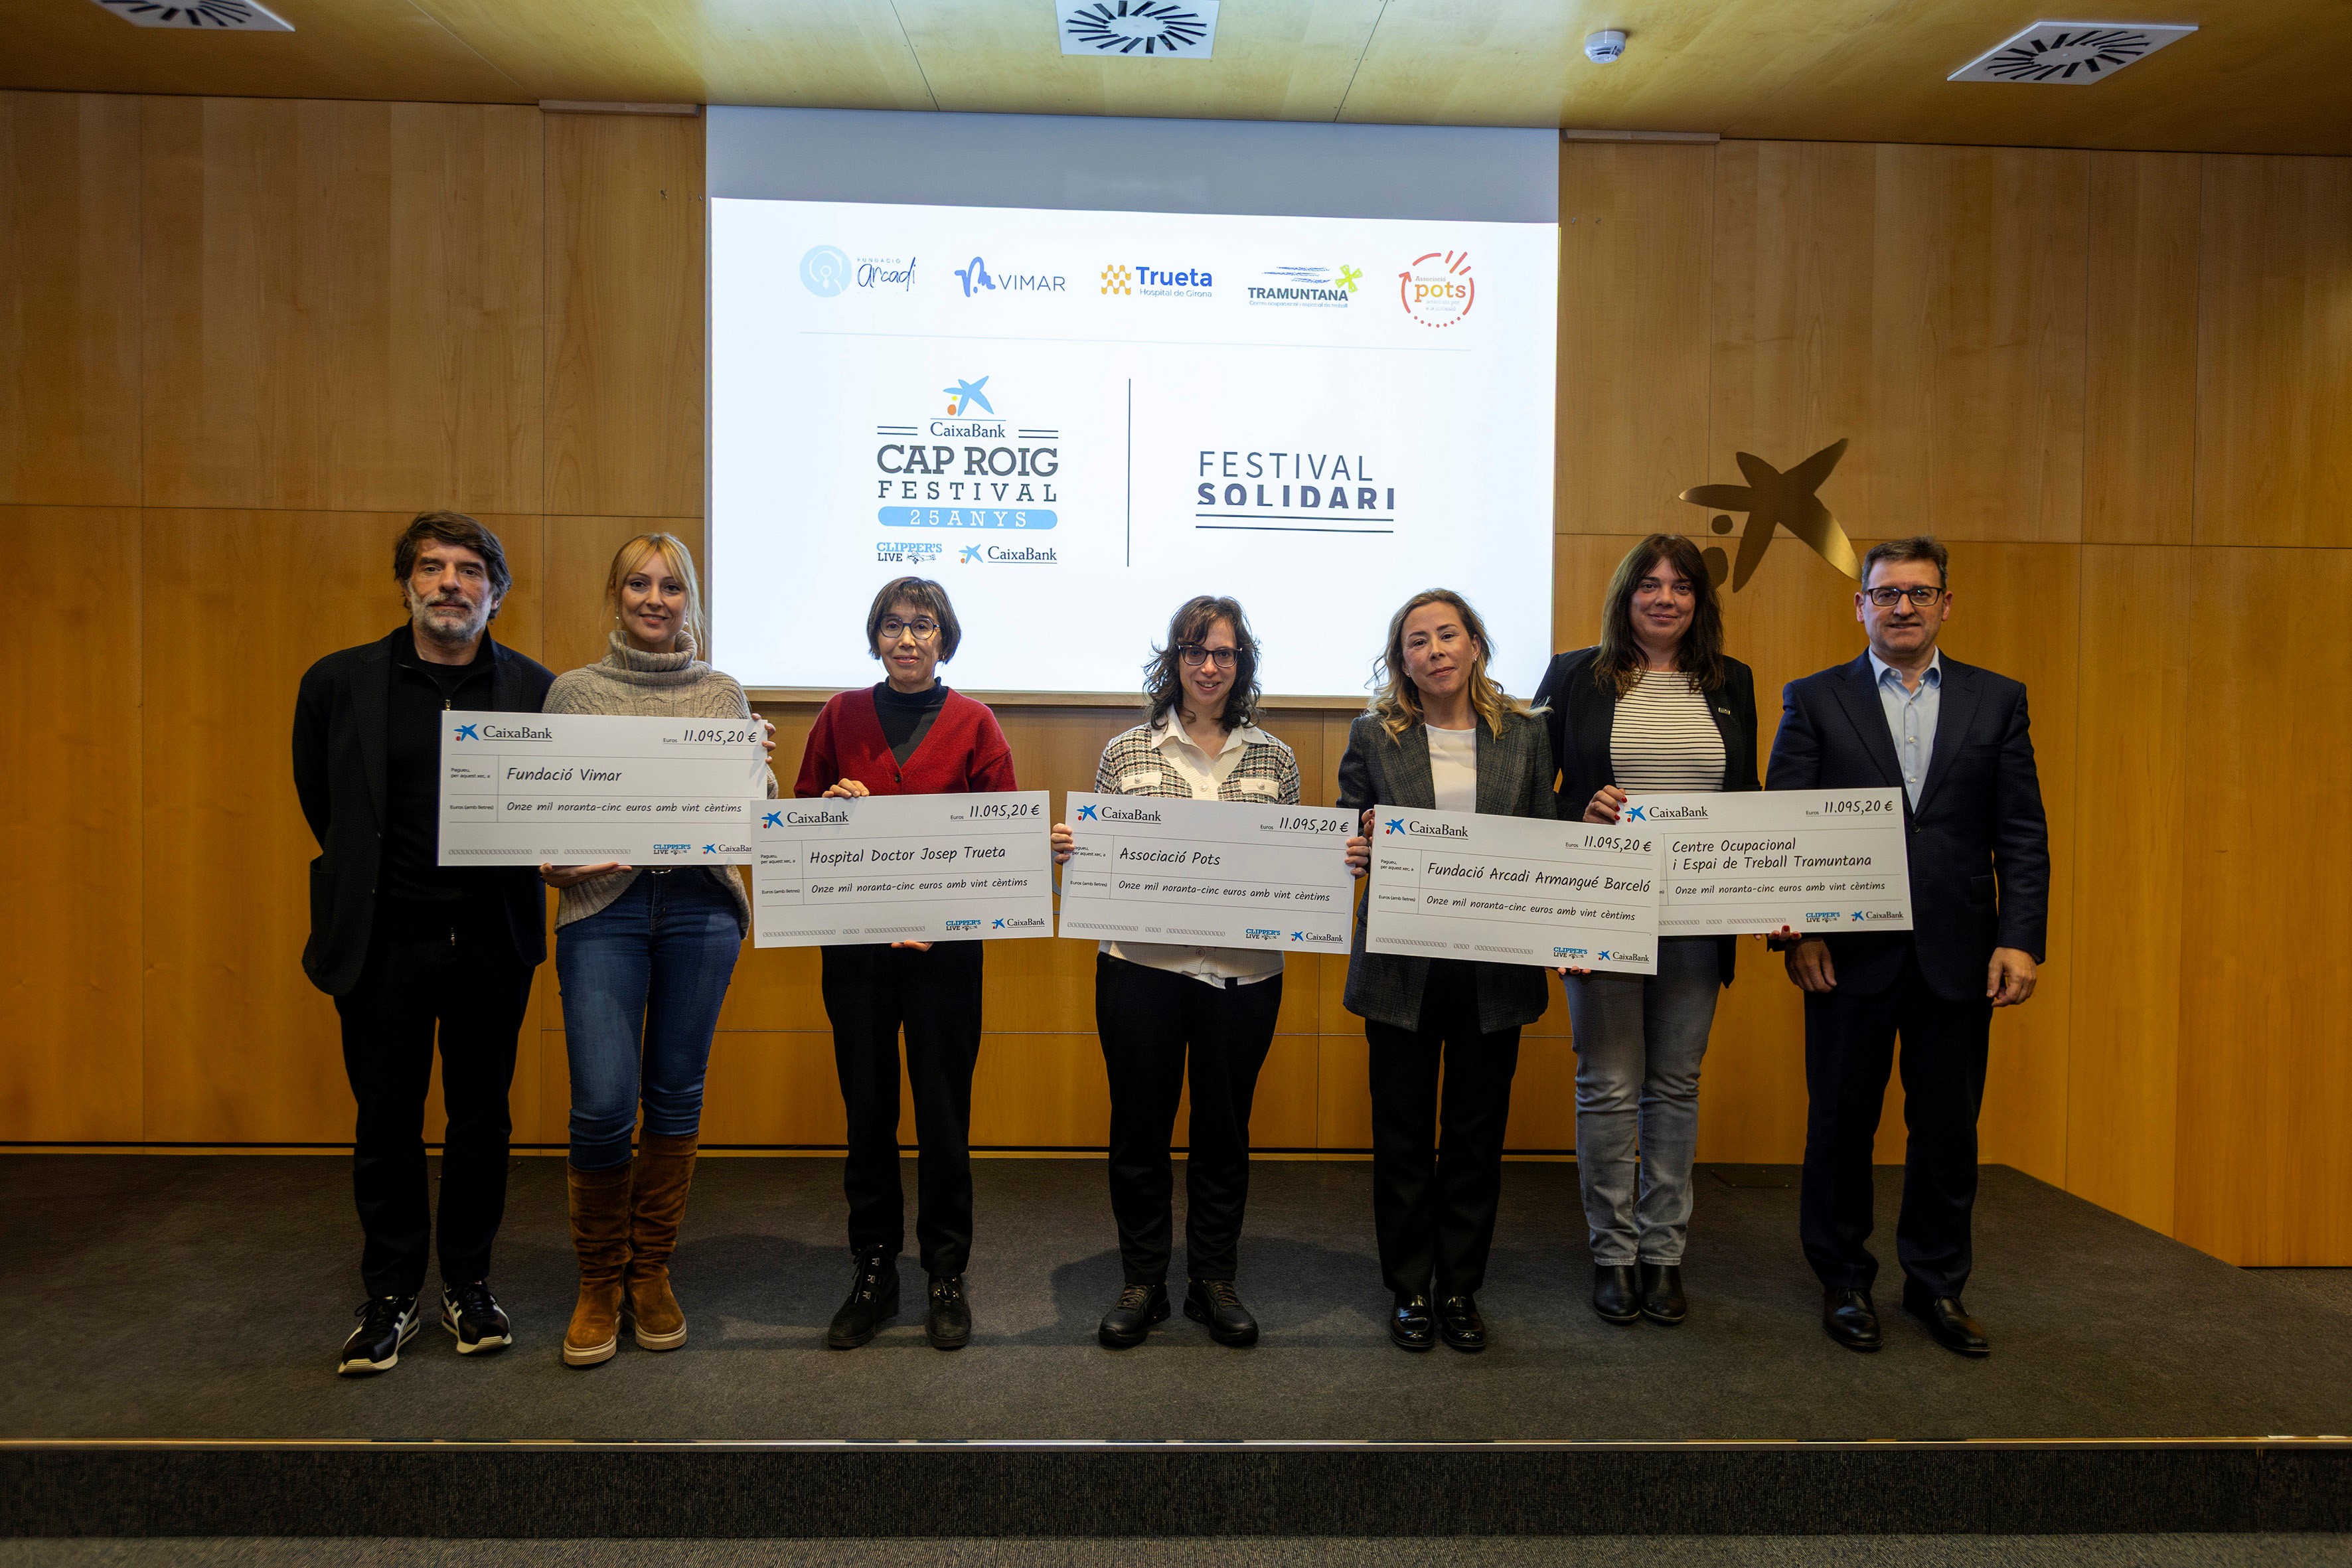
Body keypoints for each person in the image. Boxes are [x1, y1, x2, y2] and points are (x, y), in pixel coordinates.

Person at [1767, 536, 2048, 1358]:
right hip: (1848, 956)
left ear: (1946, 605)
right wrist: (1800, 931)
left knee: (1948, 1130)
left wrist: (2021, 940)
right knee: (1841, 1124)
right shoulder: (1815, 699)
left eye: (1920, 594)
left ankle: (1936, 1285)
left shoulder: (1997, 701)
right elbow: (1788, 826)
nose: (1903, 608)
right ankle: (1844, 1280)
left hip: (1961, 954)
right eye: (1886, 594)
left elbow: (2021, 832)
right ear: (1860, 604)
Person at [293, 511, 554, 1375]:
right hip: (382, 938)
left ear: (497, 592)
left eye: (470, 569)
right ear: (406, 581)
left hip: (490, 935)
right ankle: (392, 1291)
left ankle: (469, 1283)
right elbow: (320, 797)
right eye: (434, 567)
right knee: (386, 1119)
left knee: (482, 1117)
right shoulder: (337, 682)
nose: (451, 582)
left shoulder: (534, 688)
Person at [540, 535, 778, 1368]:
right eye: (638, 583)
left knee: (675, 1095)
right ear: (614, 594)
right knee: (604, 1101)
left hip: (700, 908)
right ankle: (598, 1281)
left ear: (692, 601)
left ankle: (651, 1274)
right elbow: (545, 815)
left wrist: (759, 771)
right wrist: (551, 858)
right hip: (601, 909)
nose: (654, 598)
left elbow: (754, 820)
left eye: (671, 586)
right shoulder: (572, 694)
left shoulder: (722, 693)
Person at [1048, 597, 1302, 1350]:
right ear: (1174, 661)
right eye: (1194, 652)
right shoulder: (1126, 752)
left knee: (1224, 1134)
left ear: (1241, 662)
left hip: (1243, 976)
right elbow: (1096, 869)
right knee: (1139, 1132)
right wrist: (1072, 852)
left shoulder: (1275, 758)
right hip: (1141, 972)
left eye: (1222, 653)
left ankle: (1213, 1281)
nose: (1209, 666)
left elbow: (1287, 867)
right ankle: (1144, 1281)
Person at [1533, 534, 1759, 1329]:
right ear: (1625, 595)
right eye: (1650, 585)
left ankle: (1663, 1253)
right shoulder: (1575, 675)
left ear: (1700, 600)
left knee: (1675, 1083)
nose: (1666, 598)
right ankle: (1613, 1253)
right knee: (1608, 1082)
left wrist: (1777, 886)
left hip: (1699, 915)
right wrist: (1580, 806)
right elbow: (1535, 795)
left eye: (1683, 586)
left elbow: (1749, 800)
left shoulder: (1733, 683)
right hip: (1602, 903)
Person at [795, 578, 1018, 1352]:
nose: (908, 639)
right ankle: (875, 1269)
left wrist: (946, 920)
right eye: (893, 625)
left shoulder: (977, 724)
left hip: (944, 960)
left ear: (945, 638)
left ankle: (946, 1274)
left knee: (944, 1119)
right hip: (856, 953)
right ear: (876, 637)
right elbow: (797, 822)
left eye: (923, 625)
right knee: (867, 1115)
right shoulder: (838, 715)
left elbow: (1004, 853)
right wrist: (830, 805)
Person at [1338, 589, 1558, 1354]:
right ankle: (1409, 1288)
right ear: (1401, 661)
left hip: (1494, 967)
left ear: (1475, 644)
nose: (1434, 650)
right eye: (1417, 642)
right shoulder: (1374, 735)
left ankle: (1460, 1286)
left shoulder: (1528, 735)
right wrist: (1356, 842)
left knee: (1474, 1135)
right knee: (1400, 1134)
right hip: (1401, 967)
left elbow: (1544, 840)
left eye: (1447, 635)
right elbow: (1347, 828)